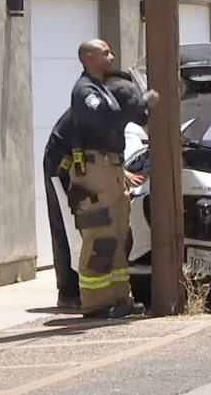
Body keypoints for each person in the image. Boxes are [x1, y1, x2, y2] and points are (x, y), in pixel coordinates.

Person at [65, 39, 158, 319]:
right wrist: (139, 104)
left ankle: (120, 297)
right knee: (100, 236)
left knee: (119, 236)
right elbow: (102, 119)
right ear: (89, 57)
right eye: (105, 52)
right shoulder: (85, 91)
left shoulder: (102, 88)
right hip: (93, 171)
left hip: (111, 169)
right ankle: (95, 302)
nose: (112, 56)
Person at [42, 70, 147, 312]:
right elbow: (85, 155)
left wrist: (120, 173)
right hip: (64, 164)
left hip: (93, 168)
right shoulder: (97, 110)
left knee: (114, 235)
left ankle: (117, 296)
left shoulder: (112, 113)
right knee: (87, 230)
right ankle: (74, 292)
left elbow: (110, 151)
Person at [43, 109, 81, 311]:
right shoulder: (93, 105)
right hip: (60, 161)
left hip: (79, 158)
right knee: (64, 223)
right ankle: (68, 289)